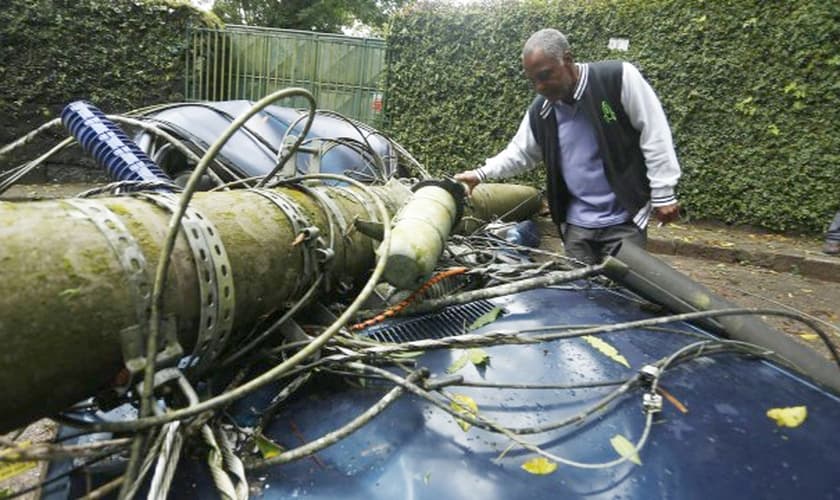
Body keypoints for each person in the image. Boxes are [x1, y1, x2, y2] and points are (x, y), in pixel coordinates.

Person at [455, 28, 681, 265]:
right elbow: (520, 153)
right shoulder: (541, 111)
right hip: (576, 227)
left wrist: (663, 193)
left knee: (625, 288)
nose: (540, 87)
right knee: (577, 287)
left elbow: (654, 132)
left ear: (568, 59)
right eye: (533, 81)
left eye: (545, 75)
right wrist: (480, 174)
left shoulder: (616, 79)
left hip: (624, 221)